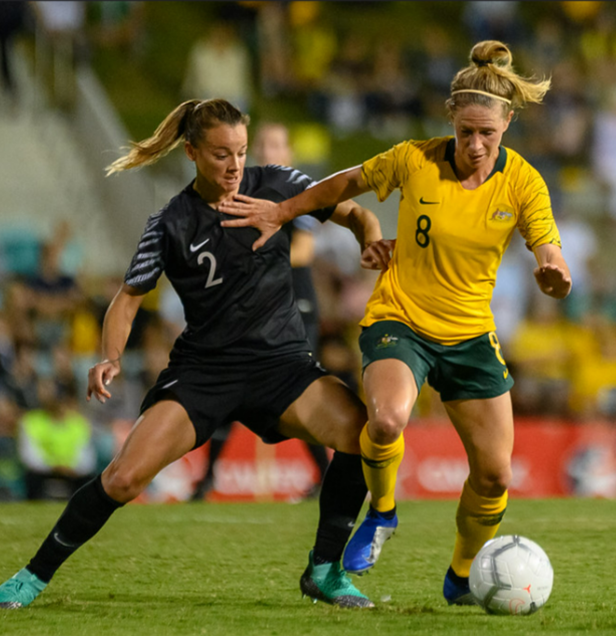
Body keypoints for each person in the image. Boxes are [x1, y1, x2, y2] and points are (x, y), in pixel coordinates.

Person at [0, 98, 391, 610]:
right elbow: (128, 297)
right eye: (221, 154)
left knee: (362, 436)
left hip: (281, 364)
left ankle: (324, 571)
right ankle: (33, 574)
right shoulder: (170, 223)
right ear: (192, 151)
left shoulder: (277, 184)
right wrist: (110, 355)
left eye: (241, 152)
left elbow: (352, 209)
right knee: (123, 477)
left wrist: (371, 238)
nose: (235, 165)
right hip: (206, 371)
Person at [219, 41, 571, 605]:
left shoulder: (524, 183)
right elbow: (343, 185)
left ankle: (461, 575)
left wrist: (553, 270)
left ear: (508, 122)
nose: (476, 145)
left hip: (469, 336)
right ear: (450, 121)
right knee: (384, 421)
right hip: (399, 319)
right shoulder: (415, 159)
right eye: (466, 132)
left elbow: (547, 244)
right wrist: (283, 210)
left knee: (496, 477)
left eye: (488, 133)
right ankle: (381, 512)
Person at [189, 122, 331, 502]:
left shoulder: (295, 189)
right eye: (263, 144)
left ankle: (329, 474)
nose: (269, 151)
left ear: (288, 154)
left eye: (276, 144)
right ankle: (207, 478)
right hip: (253, 305)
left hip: (293, 303)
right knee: (232, 382)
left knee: (297, 391)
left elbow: (304, 250)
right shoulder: (243, 191)